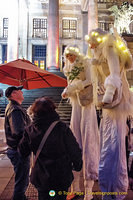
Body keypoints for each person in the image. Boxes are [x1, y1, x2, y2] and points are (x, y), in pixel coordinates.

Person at [85, 28, 133, 200]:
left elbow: (114, 75)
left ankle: (115, 188)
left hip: (114, 102)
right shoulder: (98, 55)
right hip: (108, 106)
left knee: (113, 146)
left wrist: (107, 95)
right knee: (108, 145)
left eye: (91, 41)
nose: (89, 45)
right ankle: (109, 188)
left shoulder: (109, 49)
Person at [18, 97, 82, 200]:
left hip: (42, 177)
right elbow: (74, 150)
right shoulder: (62, 128)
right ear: (53, 109)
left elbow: (22, 151)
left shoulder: (30, 130)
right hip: (61, 175)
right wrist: (77, 165)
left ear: (34, 111)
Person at [61, 45, 99, 200]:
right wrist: (68, 90)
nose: (70, 58)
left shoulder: (87, 63)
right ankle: (75, 186)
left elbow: (90, 80)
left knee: (88, 139)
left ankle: (88, 189)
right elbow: (70, 83)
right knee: (75, 141)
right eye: (67, 55)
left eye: (72, 55)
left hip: (86, 103)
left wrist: (74, 86)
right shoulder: (67, 68)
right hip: (76, 105)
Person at [4, 86, 31, 200]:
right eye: (19, 90)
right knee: (22, 180)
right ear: (14, 94)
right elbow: (19, 131)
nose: (22, 92)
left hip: (17, 149)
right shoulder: (15, 109)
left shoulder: (15, 107)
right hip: (19, 150)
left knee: (22, 178)